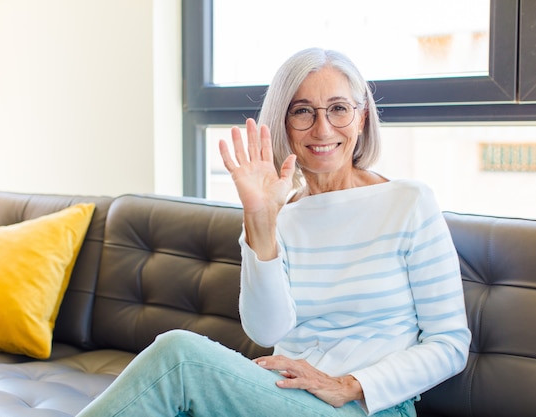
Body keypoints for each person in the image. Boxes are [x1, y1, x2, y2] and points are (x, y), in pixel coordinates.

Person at [77, 48, 471, 417]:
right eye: (303, 111)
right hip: (282, 394)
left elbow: (450, 344)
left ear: (362, 117)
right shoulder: (279, 215)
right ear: (284, 123)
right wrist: (261, 221)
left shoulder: (408, 202)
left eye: (338, 109)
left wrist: (349, 384)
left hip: (368, 406)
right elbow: (266, 331)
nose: (322, 128)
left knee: (179, 357)